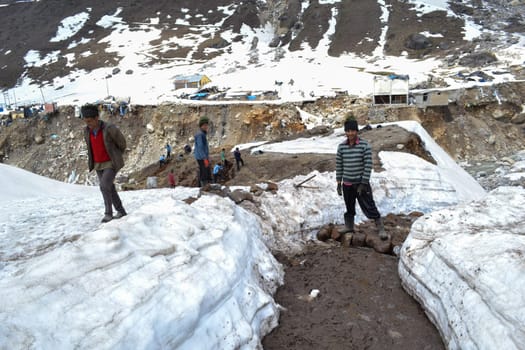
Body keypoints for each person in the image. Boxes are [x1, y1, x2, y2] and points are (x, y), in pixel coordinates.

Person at [336, 117, 387, 240]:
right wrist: (339, 183)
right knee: (349, 206)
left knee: (369, 205)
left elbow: (368, 164)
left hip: (360, 183)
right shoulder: (341, 147)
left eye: (353, 130)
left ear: (357, 131)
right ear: (345, 132)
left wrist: (363, 183)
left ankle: (380, 227)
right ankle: (349, 226)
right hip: (347, 184)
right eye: (348, 131)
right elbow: (339, 164)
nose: (350, 133)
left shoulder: (364, 145)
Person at [82, 104, 127, 223]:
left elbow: (122, 143)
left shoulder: (109, 128)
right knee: (109, 187)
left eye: (90, 121)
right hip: (98, 164)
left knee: (104, 186)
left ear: (97, 117)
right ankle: (121, 211)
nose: (88, 124)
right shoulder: (86, 131)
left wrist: (116, 155)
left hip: (110, 163)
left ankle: (108, 214)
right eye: (86, 121)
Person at [194, 116, 211, 187]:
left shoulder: (202, 134)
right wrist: (205, 158)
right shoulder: (200, 135)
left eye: (206, 125)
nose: (206, 126)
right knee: (205, 171)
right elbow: (200, 147)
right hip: (201, 157)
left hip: (201, 156)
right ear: (201, 126)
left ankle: (202, 186)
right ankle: (204, 186)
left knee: (203, 170)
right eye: (204, 125)